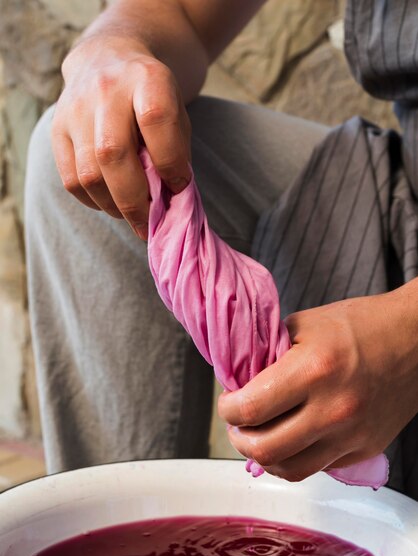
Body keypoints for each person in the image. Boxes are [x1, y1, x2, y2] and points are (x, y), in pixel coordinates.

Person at [26, 1, 418, 496]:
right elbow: (181, 14)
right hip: (407, 185)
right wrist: (111, 48)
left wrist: (408, 339)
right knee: (95, 159)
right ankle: (109, 528)